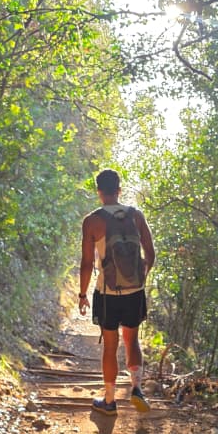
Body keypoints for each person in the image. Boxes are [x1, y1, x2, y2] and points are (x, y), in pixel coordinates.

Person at [78, 169, 155, 415]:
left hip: (107, 293)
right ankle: (137, 389)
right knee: (132, 340)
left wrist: (82, 294)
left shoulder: (92, 220)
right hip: (134, 291)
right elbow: (150, 254)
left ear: (99, 192)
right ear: (119, 190)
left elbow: (87, 263)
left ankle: (109, 401)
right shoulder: (136, 216)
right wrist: (139, 278)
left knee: (110, 346)